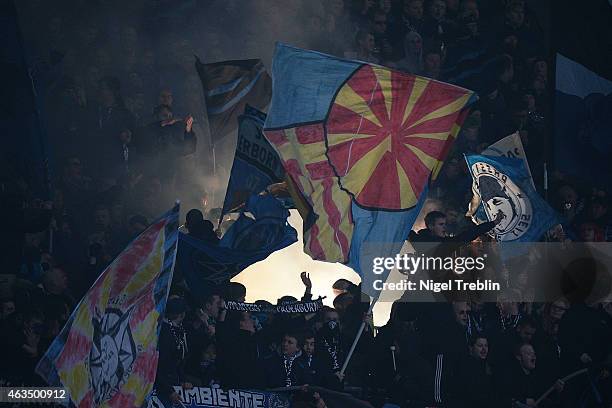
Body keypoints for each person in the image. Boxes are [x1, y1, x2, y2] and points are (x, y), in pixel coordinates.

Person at [155, 297, 191, 406]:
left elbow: (178, 361)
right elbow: (159, 366)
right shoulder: (165, 334)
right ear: (181, 314)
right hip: (161, 387)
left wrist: (183, 380)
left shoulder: (177, 330)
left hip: (172, 382)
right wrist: (169, 391)